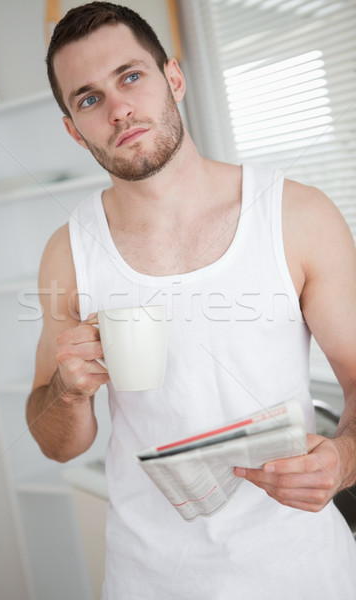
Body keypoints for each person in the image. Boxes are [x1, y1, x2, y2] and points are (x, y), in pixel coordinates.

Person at [26, 2, 356, 598]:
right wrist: (67, 392)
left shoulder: (297, 216)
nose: (120, 108)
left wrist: (344, 458)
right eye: (89, 98)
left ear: (172, 78)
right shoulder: (68, 252)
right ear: (74, 129)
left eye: (131, 76)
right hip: (149, 578)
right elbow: (56, 443)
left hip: (307, 571)